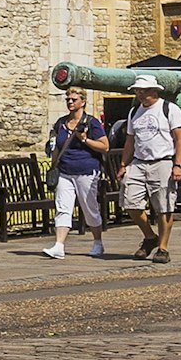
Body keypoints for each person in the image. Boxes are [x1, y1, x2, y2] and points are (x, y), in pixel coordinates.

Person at [114, 77, 181, 265]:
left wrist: (178, 164)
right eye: (137, 90)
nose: (140, 94)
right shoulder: (134, 112)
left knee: (164, 206)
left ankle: (163, 247)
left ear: (154, 90)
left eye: (143, 90)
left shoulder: (169, 109)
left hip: (162, 161)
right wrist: (123, 164)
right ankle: (150, 236)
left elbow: (179, 138)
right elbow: (130, 140)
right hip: (139, 161)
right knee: (130, 202)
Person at [42, 83, 109, 259]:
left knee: (89, 208)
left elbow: (104, 146)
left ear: (83, 101)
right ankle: (59, 245)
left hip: (86, 170)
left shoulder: (91, 122)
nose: (70, 102)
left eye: (74, 99)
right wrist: (53, 164)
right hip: (64, 171)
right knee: (63, 208)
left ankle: (97, 241)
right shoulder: (61, 123)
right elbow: (57, 146)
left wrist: (85, 140)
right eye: (68, 99)